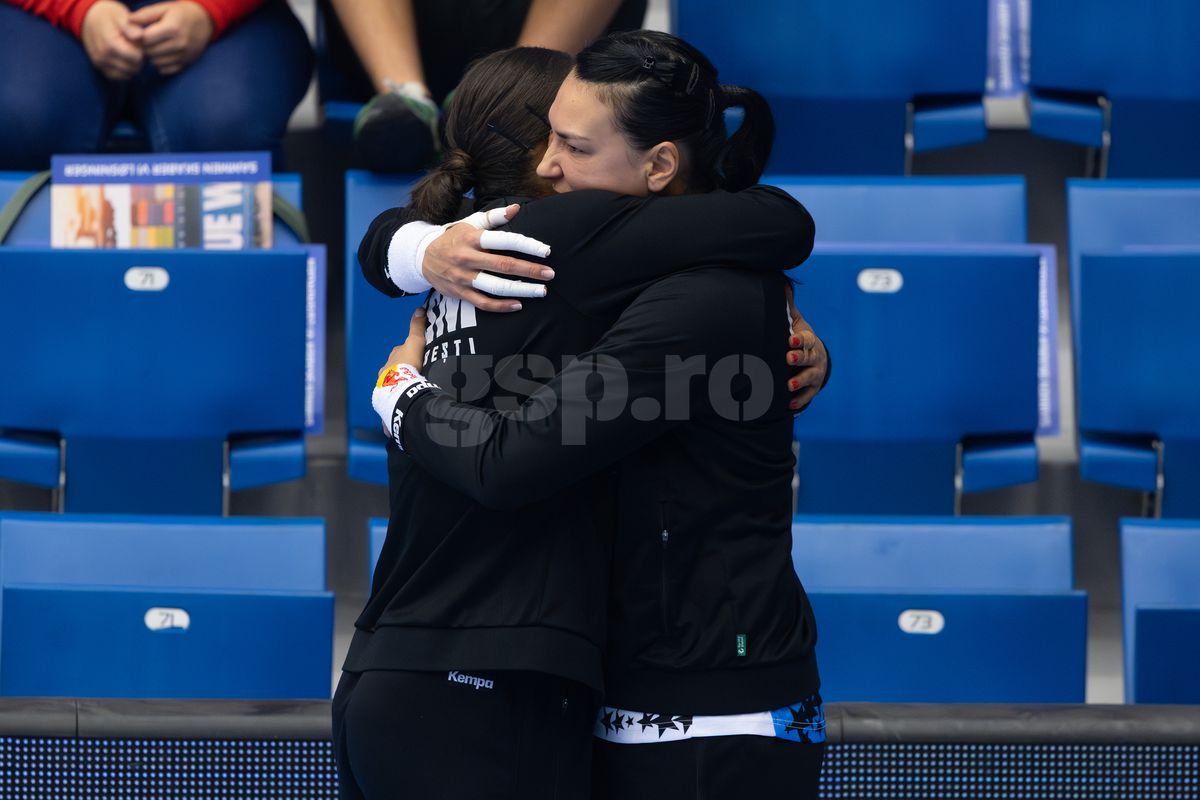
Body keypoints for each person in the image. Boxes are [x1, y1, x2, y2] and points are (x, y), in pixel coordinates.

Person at [335, 45, 824, 800]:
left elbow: (381, 244)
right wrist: (400, 396)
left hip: (392, 668)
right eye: (554, 141)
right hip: (506, 689)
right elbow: (780, 220)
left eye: (579, 143)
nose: (561, 165)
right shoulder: (566, 242)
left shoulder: (454, 263)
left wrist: (412, 249)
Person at [321, 0, 647, 171]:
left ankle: (511, 95)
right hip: (400, 50)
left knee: (512, 104)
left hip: (550, 60)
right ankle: (407, 102)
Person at [0, 0, 312, 168]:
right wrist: (78, 9)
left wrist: (211, 10)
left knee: (226, 130)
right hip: (43, 14)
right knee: (21, 120)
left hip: (231, 15)